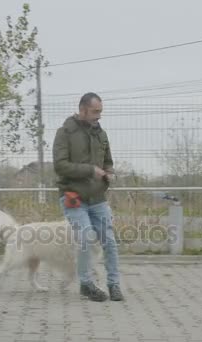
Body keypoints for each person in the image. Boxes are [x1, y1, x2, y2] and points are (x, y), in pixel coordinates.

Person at [52, 92, 124, 302]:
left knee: (109, 241)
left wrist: (109, 173)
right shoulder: (65, 132)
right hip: (73, 196)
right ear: (82, 109)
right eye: (95, 111)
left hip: (97, 198)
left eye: (100, 111)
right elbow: (60, 165)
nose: (98, 116)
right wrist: (90, 170)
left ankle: (114, 284)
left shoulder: (101, 134)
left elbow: (108, 161)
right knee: (85, 238)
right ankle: (86, 284)